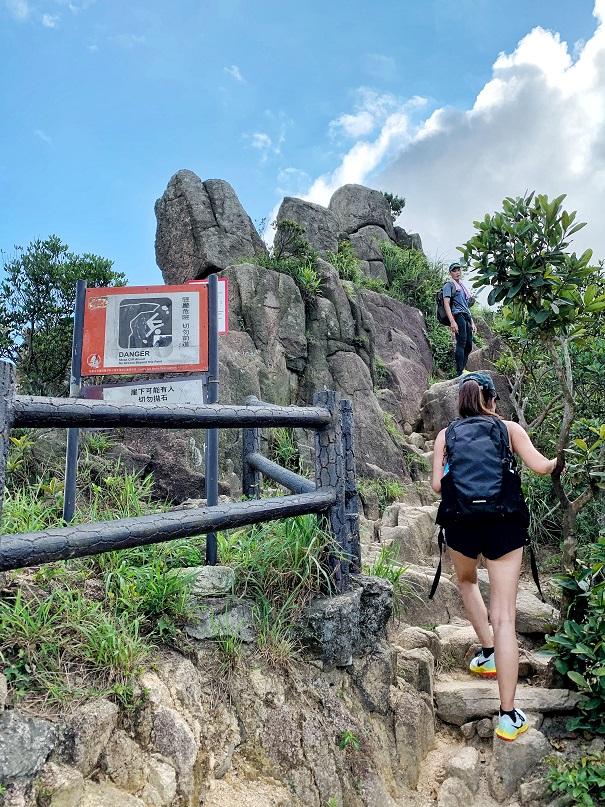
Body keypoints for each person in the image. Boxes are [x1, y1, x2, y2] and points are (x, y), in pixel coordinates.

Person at [431, 372, 557, 741]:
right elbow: (542, 466)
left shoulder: (445, 436)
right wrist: (558, 462)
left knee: (467, 581)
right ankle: (507, 714)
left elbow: (438, 486)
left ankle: (486, 651)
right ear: (491, 400)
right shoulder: (509, 430)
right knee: (505, 617)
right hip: (504, 525)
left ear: (462, 401)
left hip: (462, 525)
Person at [442, 262, 476, 375]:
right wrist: (452, 321)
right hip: (458, 315)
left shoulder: (462, 286)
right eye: (454, 270)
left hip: (466, 316)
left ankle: (462, 368)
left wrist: (472, 322)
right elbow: (446, 303)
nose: (457, 272)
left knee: (469, 345)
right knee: (461, 343)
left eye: (458, 270)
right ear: (450, 273)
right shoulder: (449, 285)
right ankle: (459, 371)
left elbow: (466, 306)